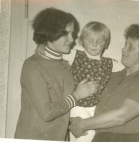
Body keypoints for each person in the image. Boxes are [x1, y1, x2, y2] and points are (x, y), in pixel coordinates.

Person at [69, 24, 139, 142]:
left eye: (130, 47)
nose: (123, 49)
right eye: (125, 44)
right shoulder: (111, 75)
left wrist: (82, 124)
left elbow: (121, 116)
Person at [14, 7, 98, 141]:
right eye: (66, 33)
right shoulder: (33, 65)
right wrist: (77, 95)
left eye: (73, 33)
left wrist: (73, 123)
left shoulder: (65, 65)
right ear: (50, 33)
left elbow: (62, 105)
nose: (72, 39)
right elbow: (47, 112)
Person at [36, 21, 124, 142]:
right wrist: (43, 45)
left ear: (106, 43)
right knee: (87, 135)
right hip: (77, 105)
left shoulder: (110, 63)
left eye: (99, 41)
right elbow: (54, 51)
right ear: (82, 40)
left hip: (96, 108)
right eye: (90, 40)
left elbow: (130, 71)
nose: (94, 44)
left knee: (84, 137)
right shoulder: (75, 54)